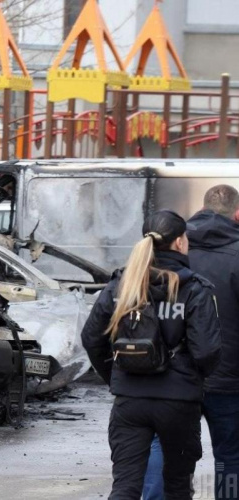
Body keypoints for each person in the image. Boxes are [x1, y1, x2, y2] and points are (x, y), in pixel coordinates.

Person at [82, 210, 221, 499]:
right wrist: (193, 379)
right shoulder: (194, 289)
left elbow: (91, 338)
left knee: (125, 487)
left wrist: (115, 377)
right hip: (179, 403)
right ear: (181, 243)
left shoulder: (121, 285)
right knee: (177, 485)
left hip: (130, 401)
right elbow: (206, 350)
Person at [188, 185, 239, 499]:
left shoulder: (174, 249)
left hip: (180, 376)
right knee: (230, 457)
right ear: (236, 214)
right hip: (230, 378)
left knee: (174, 453)